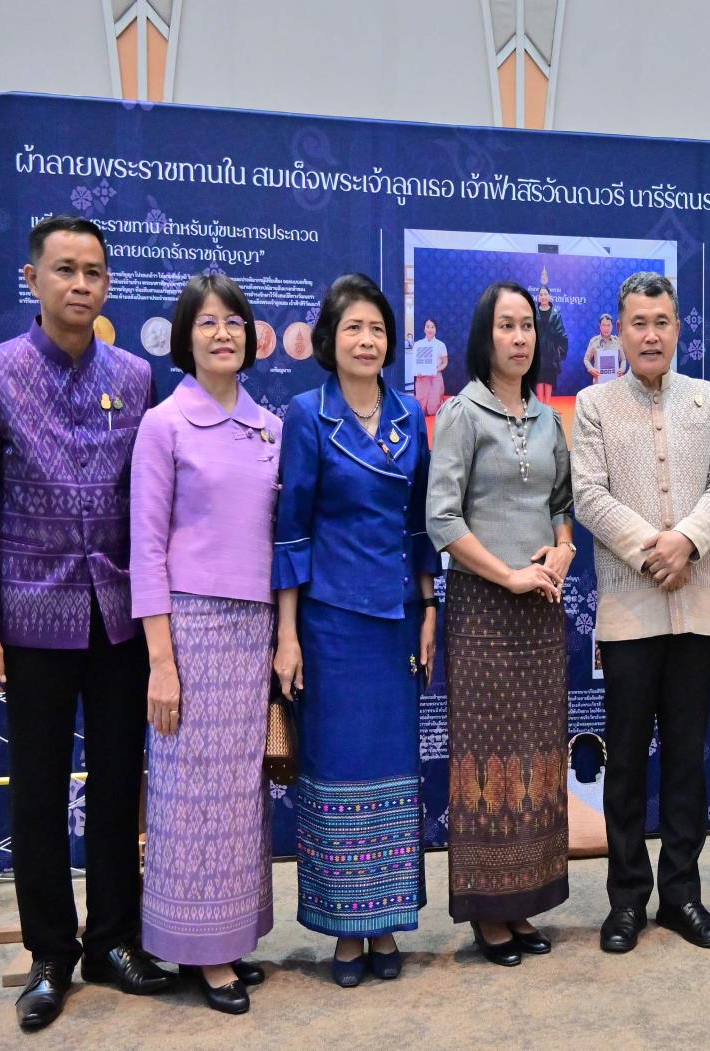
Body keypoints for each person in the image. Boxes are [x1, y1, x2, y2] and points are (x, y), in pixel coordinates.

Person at [0, 215, 176, 1032]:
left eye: (93, 272)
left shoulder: (136, 376)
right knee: (39, 790)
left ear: (108, 283)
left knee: (119, 782)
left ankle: (114, 940)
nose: (80, 284)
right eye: (65, 270)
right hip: (29, 615)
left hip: (118, 615)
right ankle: (50, 952)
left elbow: (151, 501)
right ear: (33, 279)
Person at [270, 274, 438, 988]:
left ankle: (388, 920)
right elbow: (290, 530)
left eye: (376, 329)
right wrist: (287, 635)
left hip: (396, 622)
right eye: (353, 329)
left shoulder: (409, 415)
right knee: (338, 769)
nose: (367, 341)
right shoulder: (308, 415)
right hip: (331, 622)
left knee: (393, 769)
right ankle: (346, 930)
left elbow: (419, 523)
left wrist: (429, 607)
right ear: (329, 341)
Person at [571, 272, 710, 954]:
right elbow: (588, 494)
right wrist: (655, 550)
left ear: (677, 328)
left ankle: (682, 895)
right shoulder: (594, 404)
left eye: (661, 322)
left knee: (687, 760)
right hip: (629, 612)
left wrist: (688, 541)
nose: (650, 334)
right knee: (626, 763)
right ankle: (626, 901)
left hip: (695, 611)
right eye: (638, 322)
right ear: (620, 329)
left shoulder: (708, 399)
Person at [129, 274, 279, 1013]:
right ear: (186, 337)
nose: (224, 334)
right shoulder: (164, 424)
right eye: (208, 322)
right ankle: (202, 952)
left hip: (256, 629)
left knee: (241, 792)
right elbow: (145, 548)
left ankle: (229, 935)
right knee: (191, 791)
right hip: (189, 629)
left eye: (235, 322)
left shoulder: (270, 426)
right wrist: (161, 662)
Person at [427, 281, 575, 966]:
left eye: (527, 327)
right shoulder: (462, 412)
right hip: (484, 610)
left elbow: (562, 503)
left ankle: (522, 900)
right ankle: (488, 910)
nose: (519, 338)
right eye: (506, 326)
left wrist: (563, 547)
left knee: (534, 755)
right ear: (484, 336)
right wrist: (508, 574)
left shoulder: (546, 418)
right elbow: (441, 518)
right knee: (485, 758)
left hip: (541, 609)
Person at [535, 284, 569, 402]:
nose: (543, 297)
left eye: (545, 294)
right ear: (538, 297)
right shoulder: (534, 311)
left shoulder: (555, 312)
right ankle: (540, 405)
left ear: (549, 296)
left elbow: (561, 331)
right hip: (537, 350)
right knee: (539, 378)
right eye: (541, 294)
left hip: (551, 350)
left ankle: (547, 405)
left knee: (549, 379)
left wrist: (562, 347)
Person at [412, 317, 448, 415]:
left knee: (433, 409)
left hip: (435, 377)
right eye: (427, 327)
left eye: (432, 327)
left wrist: (436, 370)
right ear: (424, 329)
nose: (430, 329)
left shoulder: (440, 345)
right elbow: (414, 362)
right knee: (421, 408)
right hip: (422, 378)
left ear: (436, 329)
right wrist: (416, 372)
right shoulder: (418, 344)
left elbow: (445, 363)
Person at [583, 313, 626, 384]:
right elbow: (586, 359)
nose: (606, 328)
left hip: (614, 382)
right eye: (603, 325)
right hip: (598, 382)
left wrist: (622, 368)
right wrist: (590, 368)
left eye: (608, 325)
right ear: (600, 326)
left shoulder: (617, 341)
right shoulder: (594, 341)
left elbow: (623, 359)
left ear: (612, 326)